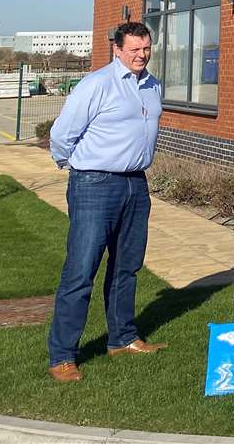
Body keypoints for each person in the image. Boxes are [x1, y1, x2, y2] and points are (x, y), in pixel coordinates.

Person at [46, 22, 166, 383]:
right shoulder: (96, 84)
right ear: (117, 49)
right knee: (81, 270)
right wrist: (75, 167)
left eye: (146, 48)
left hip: (135, 185)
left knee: (127, 266)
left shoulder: (153, 84)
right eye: (133, 49)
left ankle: (123, 338)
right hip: (94, 184)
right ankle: (63, 355)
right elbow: (62, 135)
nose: (141, 55)